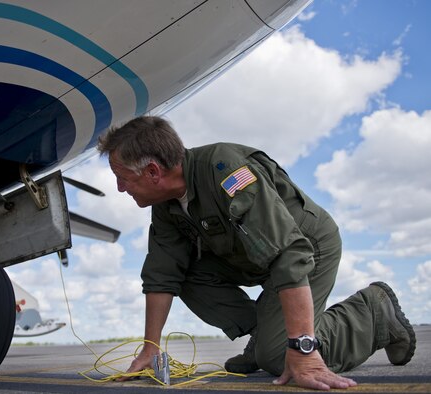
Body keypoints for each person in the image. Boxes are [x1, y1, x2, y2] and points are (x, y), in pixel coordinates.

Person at [96, 115, 417, 390]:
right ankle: (265, 335)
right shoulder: (165, 205)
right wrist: (151, 348)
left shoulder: (225, 170)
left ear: (153, 171)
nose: (121, 188)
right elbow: (162, 273)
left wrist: (302, 350)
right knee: (186, 272)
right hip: (250, 257)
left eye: (122, 178)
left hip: (306, 250)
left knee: (280, 357)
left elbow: (286, 253)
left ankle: (370, 314)